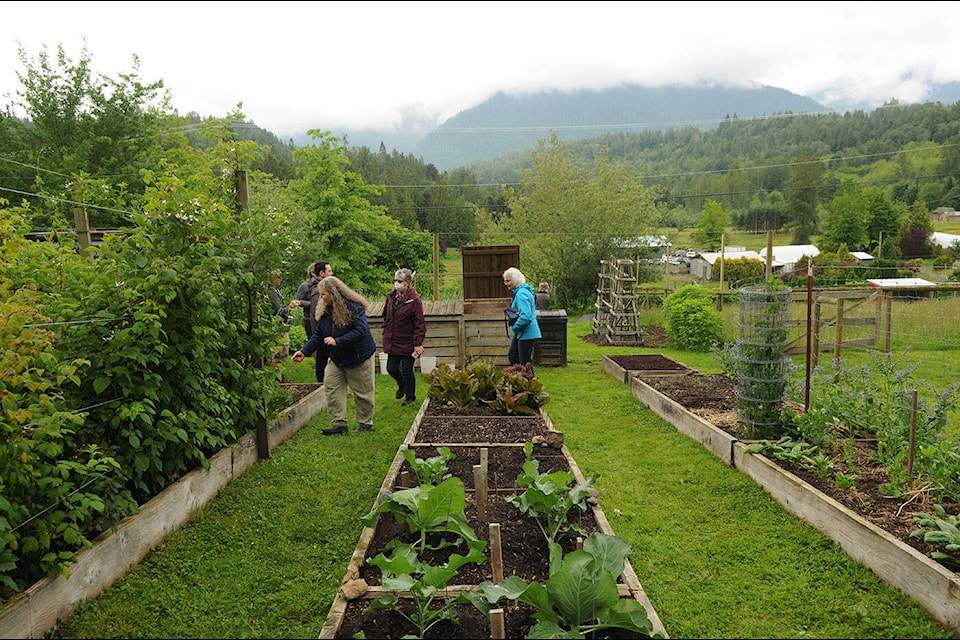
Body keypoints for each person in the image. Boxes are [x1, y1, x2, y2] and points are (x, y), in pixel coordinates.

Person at [291, 276, 376, 435]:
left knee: (362, 392)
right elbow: (318, 335)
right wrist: (304, 351)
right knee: (331, 387)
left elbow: (361, 331)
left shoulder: (354, 307)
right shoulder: (324, 311)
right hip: (337, 358)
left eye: (323, 294)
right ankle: (339, 424)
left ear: (333, 293)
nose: (321, 298)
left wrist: (338, 341)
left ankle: (365, 423)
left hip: (358, 356)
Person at [382, 268, 426, 407]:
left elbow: (420, 323)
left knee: (407, 370)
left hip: (408, 341)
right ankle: (402, 386)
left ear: (407, 283)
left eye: (399, 281)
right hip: (393, 340)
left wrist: (417, 343)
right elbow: (386, 315)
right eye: (395, 280)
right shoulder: (390, 297)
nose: (396, 283)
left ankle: (410, 396)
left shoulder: (414, 300)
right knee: (391, 368)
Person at [290, 261, 334, 383]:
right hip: (313, 323)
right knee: (322, 356)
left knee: (324, 358)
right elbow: (299, 301)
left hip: (325, 329)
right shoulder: (310, 288)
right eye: (329, 271)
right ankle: (323, 386)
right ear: (320, 273)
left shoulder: (330, 287)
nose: (332, 273)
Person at [503, 267, 542, 375]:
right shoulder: (521, 292)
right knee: (514, 356)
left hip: (527, 333)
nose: (506, 283)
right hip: (522, 333)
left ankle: (530, 385)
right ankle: (520, 380)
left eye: (508, 280)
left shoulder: (521, 294)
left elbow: (525, 316)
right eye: (505, 281)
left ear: (515, 280)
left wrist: (514, 327)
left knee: (525, 363)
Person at [268, 272, 290, 362]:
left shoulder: (277, 291)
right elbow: (277, 311)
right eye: (278, 277)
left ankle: (280, 374)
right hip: (275, 326)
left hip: (281, 326)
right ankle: (276, 375)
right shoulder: (271, 293)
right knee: (276, 354)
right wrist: (289, 307)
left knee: (283, 352)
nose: (280, 279)